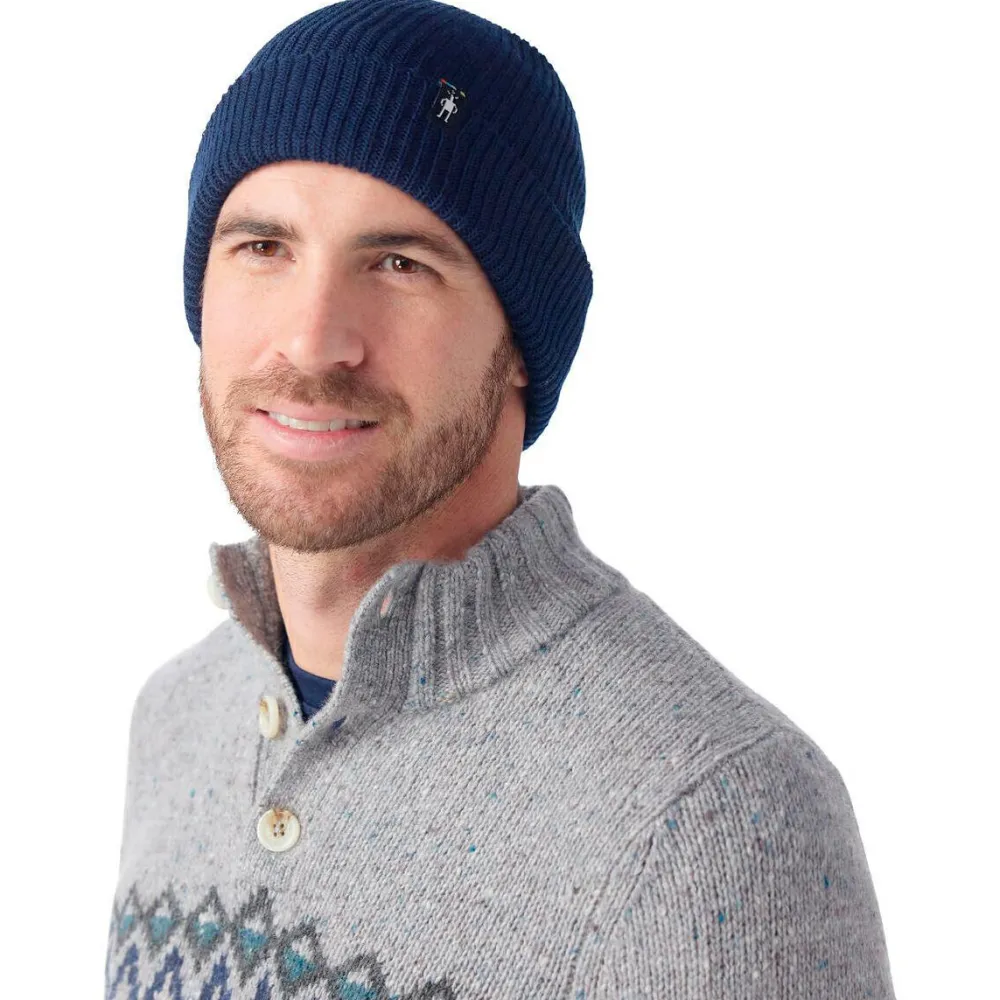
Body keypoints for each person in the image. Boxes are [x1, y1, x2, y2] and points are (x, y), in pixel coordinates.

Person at [104, 1, 897, 997]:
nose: (311, 340)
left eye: (399, 264)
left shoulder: (711, 818)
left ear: (521, 341)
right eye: (263, 247)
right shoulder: (181, 719)